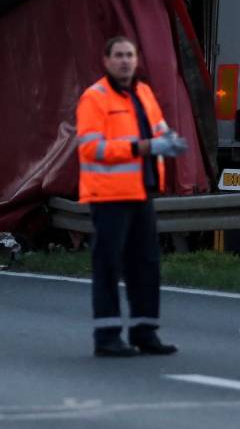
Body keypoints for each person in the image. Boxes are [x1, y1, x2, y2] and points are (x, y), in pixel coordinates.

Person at [75, 35, 188, 358]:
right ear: (106, 60)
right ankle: (107, 336)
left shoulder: (144, 93)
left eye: (130, 55)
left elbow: (160, 130)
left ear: (137, 60)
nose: (125, 61)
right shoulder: (94, 98)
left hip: (141, 191)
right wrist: (143, 147)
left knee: (146, 263)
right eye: (119, 55)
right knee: (109, 264)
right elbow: (91, 148)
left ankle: (144, 331)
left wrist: (171, 141)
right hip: (109, 195)